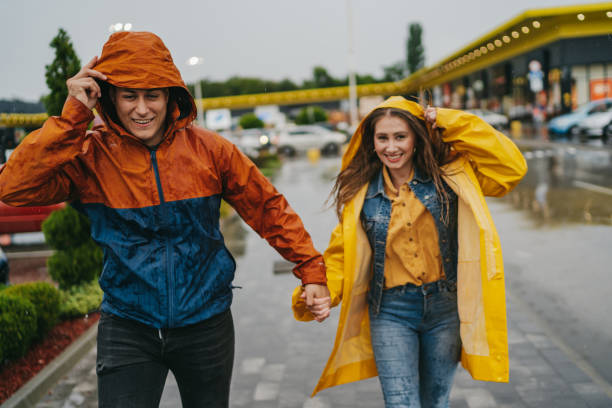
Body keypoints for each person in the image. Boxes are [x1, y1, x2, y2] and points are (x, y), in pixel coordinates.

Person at [0, 31, 330, 408]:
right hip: (128, 326)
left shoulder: (210, 150)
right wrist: (74, 113)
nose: (142, 109)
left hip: (206, 323)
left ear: (171, 95)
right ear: (108, 96)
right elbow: (12, 187)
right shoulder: (91, 159)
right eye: (129, 95)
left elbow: (267, 207)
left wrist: (311, 269)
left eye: (152, 94)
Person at [293, 96, 527, 407]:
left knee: (435, 402)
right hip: (390, 312)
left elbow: (511, 168)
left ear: (416, 137)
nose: (391, 147)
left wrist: (446, 120)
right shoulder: (361, 196)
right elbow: (341, 257)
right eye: (383, 138)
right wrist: (322, 292)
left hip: (446, 310)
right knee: (401, 403)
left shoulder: (452, 178)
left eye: (400, 136)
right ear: (372, 142)